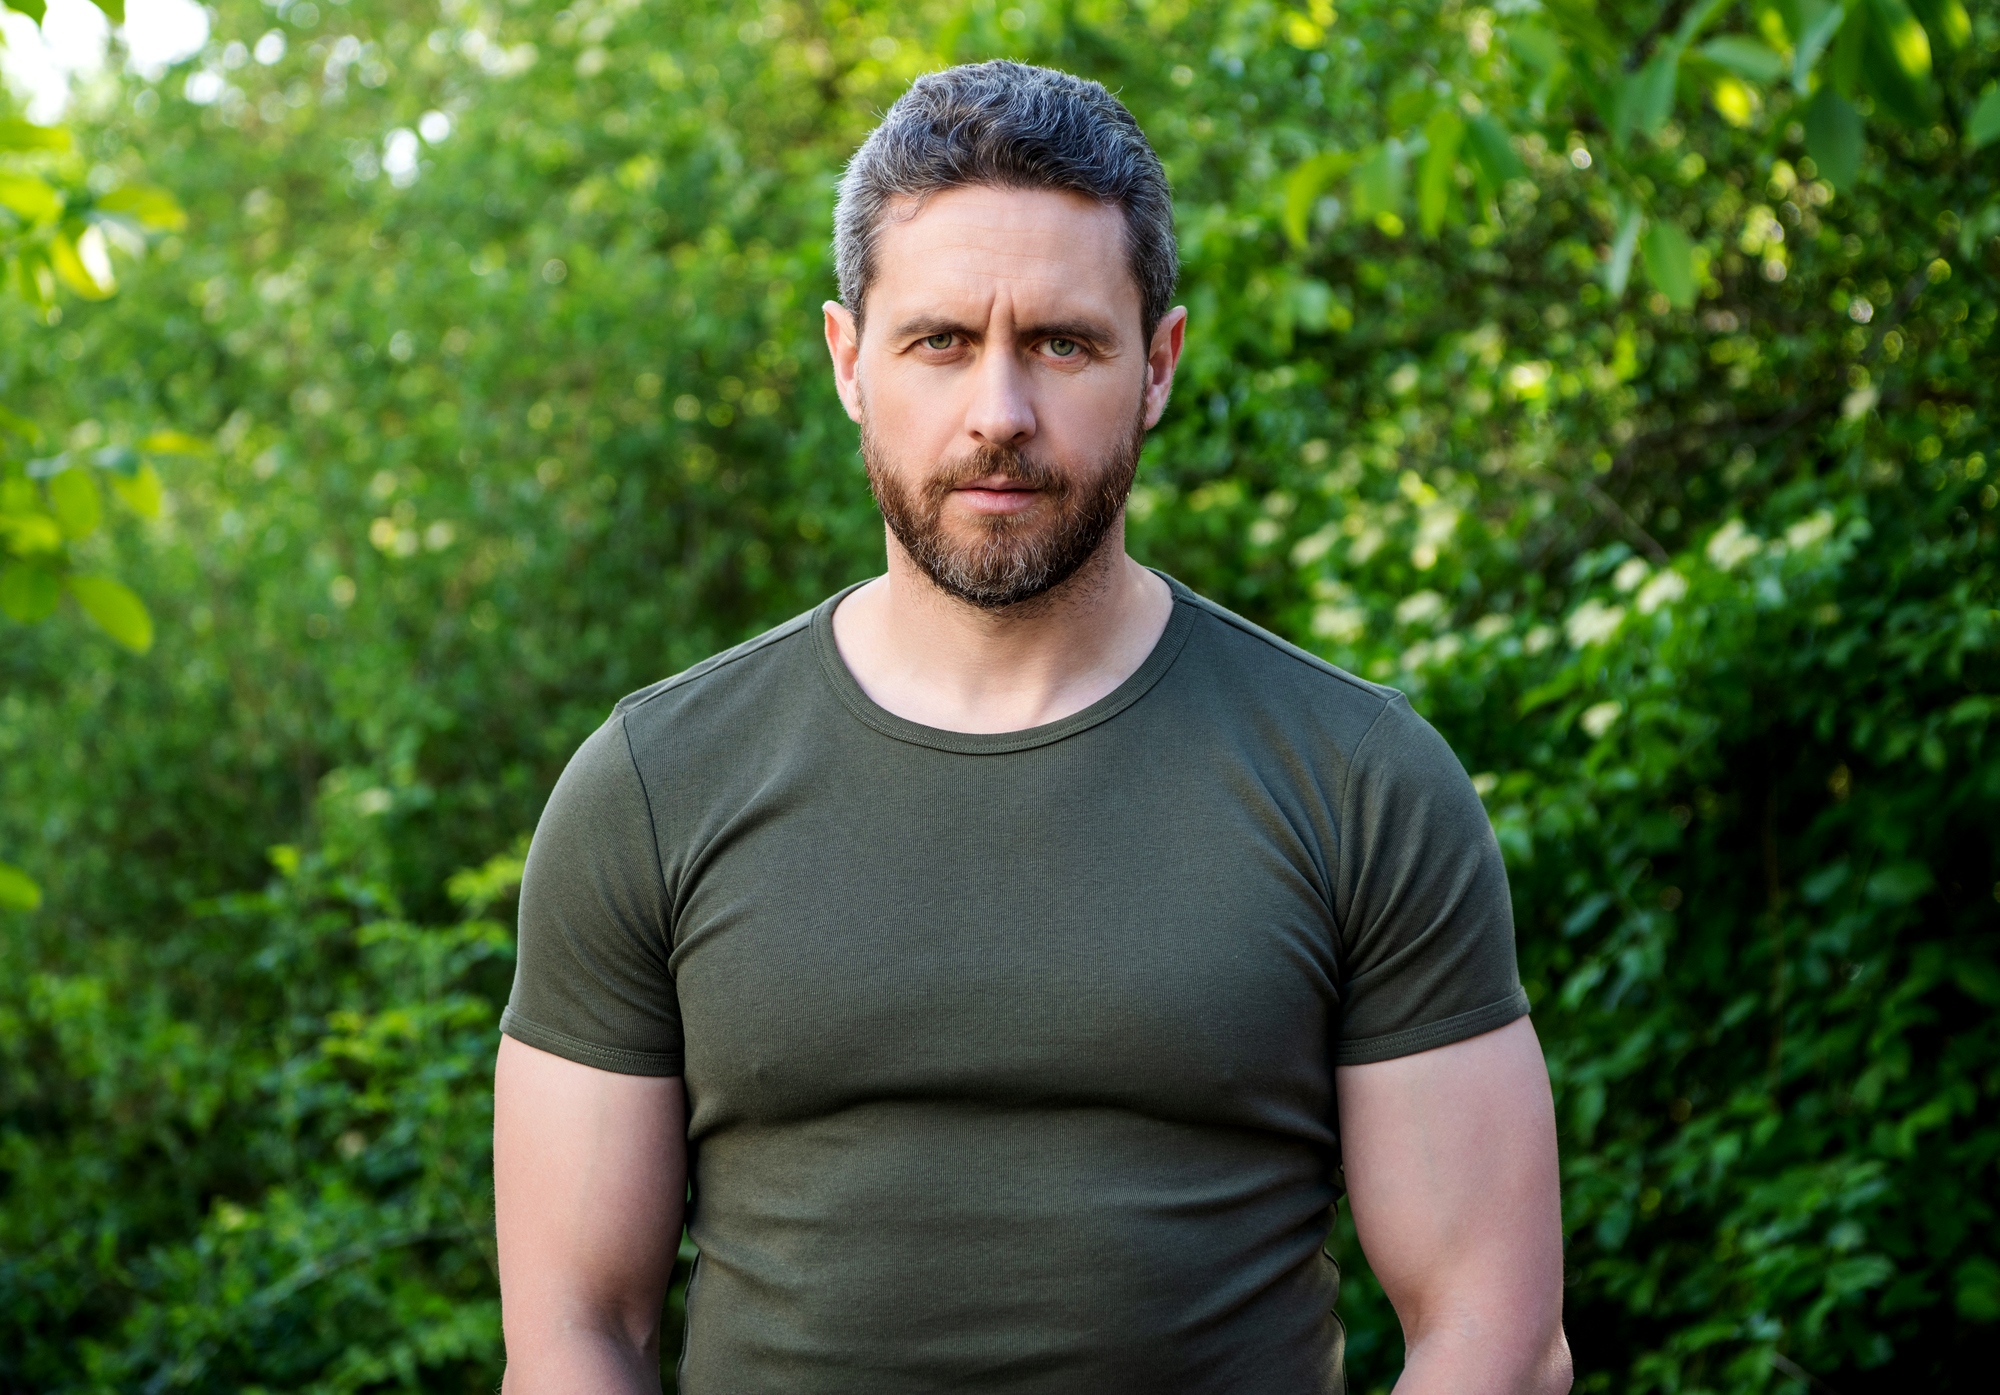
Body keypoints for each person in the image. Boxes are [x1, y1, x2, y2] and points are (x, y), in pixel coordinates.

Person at [493, 59, 1571, 1395]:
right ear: (850, 362)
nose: (999, 413)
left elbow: (1496, 1339)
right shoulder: (654, 788)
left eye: (1062, 342)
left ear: (1159, 365)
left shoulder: (1358, 783)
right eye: (940, 341)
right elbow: (573, 1340)